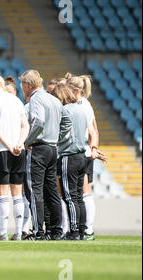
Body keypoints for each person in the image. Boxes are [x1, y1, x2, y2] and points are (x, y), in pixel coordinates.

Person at [20, 70, 72, 241]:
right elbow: (67, 122)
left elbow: (39, 121)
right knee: (51, 191)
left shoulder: (36, 98)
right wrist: (58, 138)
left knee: (35, 190)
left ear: (28, 85)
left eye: (23, 85)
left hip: (39, 148)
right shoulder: (53, 99)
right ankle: (56, 230)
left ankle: (38, 231)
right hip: (52, 149)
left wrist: (28, 140)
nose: (22, 88)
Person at [0, 72, 30, 241]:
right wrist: (19, 143)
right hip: (19, 150)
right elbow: (24, 125)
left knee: (3, 194)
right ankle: (18, 232)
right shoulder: (16, 100)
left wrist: (8, 146)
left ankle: (3, 231)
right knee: (17, 193)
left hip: (1, 150)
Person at [51, 82, 98, 240]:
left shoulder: (64, 111)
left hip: (68, 155)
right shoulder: (82, 109)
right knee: (79, 196)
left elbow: (62, 133)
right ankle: (83, 229)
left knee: (69, 196)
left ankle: (74, 231)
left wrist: (54, 139)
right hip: (82, 155)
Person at [65, 74, 106, 241]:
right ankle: (83, 229)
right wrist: (94, 148)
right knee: (81, 193)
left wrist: (93, 148)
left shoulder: (82, 105)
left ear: (75, 90)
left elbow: (93, 130)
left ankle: (86, 229)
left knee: (83, 192)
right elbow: (93, 130)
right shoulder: (83, 104)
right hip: (84, 152)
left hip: (81, 152)